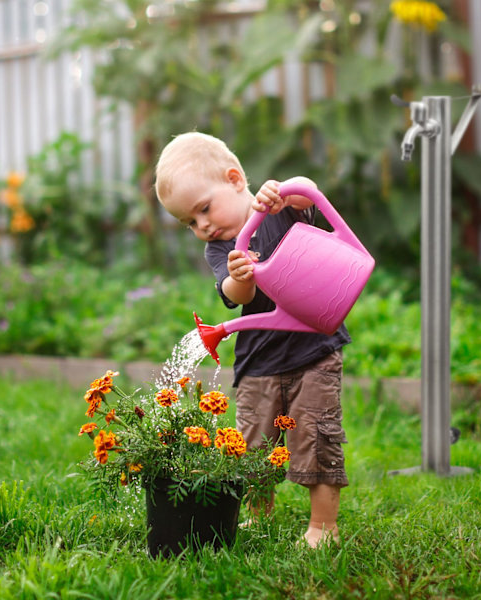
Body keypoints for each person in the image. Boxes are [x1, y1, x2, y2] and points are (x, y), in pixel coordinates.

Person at [154, 132, 351, 548]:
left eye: (203, 209)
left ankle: (323, 527)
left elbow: (309, 194)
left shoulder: (278, 209)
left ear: (234, 179)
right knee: (253, 444)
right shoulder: (222, 248)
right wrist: (239, 276)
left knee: (317, 435)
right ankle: (261, 515)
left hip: (312, 349)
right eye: (189, 222)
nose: (202, 225)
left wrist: (286, 192)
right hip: (258, 359)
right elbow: (232, 294)